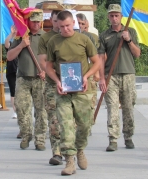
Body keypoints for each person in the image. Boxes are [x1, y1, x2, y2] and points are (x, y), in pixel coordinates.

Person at [46, 10, 100, 175]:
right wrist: (57, 81)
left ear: (73, 23)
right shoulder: (53, 42)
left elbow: (97, 62)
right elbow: (48, 66)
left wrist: (86, 77)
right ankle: (69, 161)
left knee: (85, 124)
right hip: (63, 91)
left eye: (68, 25)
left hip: (82, 90)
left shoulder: (84, 39)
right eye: (61, 26)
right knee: (66, 124)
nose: (65, 29)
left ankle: (80, 149)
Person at [98, 4, 141, 151]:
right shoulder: (104, 35)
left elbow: (137, 54)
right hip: (111, 76)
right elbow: (100, 58)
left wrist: (128, 40)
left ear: (121, 16)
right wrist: (101, 78)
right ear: (108, 17)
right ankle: (113, 139)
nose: (114, 18)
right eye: (111, 15)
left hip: (128, 74)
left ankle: (128, 137)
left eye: (117, 15)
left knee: (128, 107)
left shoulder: (131, 31)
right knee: (112, 108)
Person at [7, 10, 47, 151]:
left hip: (40, 79)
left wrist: (46, 72)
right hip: (23, 78)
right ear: (28, 22)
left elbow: (52, 59)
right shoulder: (21, 37)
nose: (36, 24)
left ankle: (40, 138)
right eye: (33, 21)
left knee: (41, 110)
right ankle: (26, 135)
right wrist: (21, 45)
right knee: (22, 109)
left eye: (38, 22)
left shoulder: (46, 38)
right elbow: (10, 56)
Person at [38, 10, 63, 165]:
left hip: (71, 85)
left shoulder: (73, 37)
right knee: (53, 119)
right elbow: (43, 62)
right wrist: (55, 77)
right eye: (54, 21)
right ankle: (57, 153)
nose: (57, 24)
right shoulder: (45, 38)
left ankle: (72, 150)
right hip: (52, 84)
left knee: (71, 121)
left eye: (59, 21)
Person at [4, 25, 18, 120]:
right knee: (13, 92)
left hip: (21, 71)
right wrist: (11, 34)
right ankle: (15, 111)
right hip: (11, 71)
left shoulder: (21, 45)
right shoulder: (11, 46)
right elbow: (6, 43)